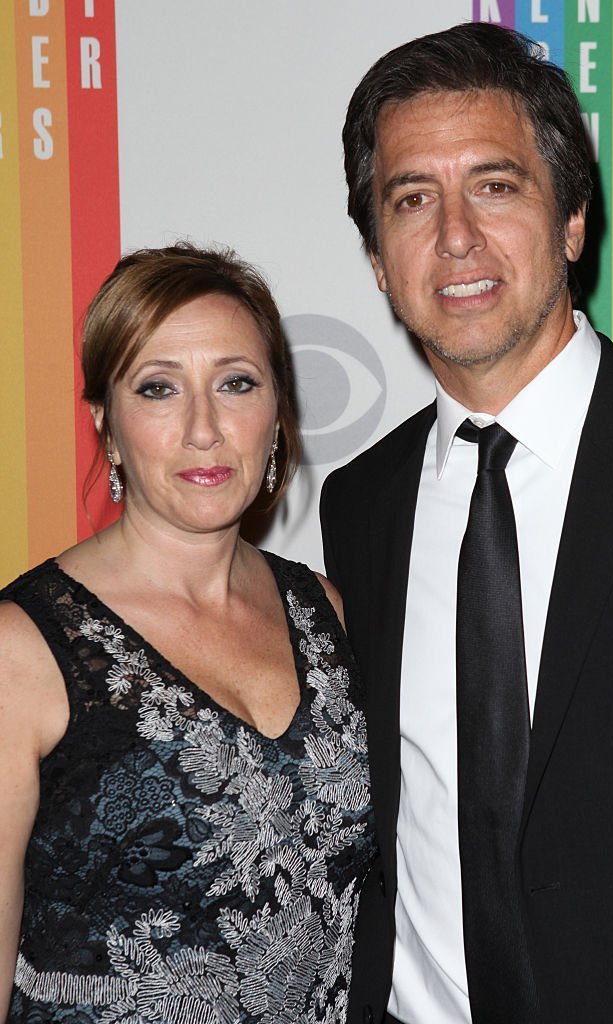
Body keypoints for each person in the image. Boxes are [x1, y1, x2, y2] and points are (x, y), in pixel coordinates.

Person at [320, 22, 613, 1024]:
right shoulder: (360, 502)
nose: (454, 235)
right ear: (379, 260)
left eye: (495, 185)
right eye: (411, 199)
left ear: (571, 222)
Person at [0, 243, 376, 1023]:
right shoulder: (22, 649)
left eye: (236, 383)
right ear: (106, 422)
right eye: (159, 389)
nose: (204, 428)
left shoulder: (326, 615)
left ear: (277, 413)